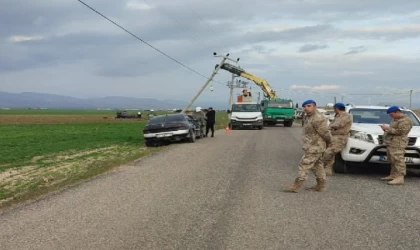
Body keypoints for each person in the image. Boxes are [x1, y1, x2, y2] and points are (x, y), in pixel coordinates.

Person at [283, 99, 332, 192]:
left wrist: (330, 142)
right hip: (311, 145)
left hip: (315, 146)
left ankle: (296, 186)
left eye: (309, 106)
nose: (306, 108)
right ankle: (320, 186)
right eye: (304, 106)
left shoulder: (318, 118)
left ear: (314, 106)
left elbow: (325, 133)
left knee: (304, 164)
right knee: (318, 165)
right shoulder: (308, 117)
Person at [379, 106, 413, 185]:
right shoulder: (396, 119)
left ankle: (400, 178)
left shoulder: (406, 120)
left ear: (397, 112)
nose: (391, 116)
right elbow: (394, 129)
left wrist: (387, 128)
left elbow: (401, 132)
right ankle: (394, 175)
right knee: (392, 159)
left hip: (398, 143)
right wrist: (386, 129)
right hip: (392, 142)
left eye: (391, 114)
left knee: (398, 160)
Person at [322, 102, 352, 176]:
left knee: (328, 152)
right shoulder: (338, 116)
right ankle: (327, 170)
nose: (334, 110)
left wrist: (329, 127)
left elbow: (339, 124)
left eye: (334, 108)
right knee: (331, 155)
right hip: (333, 136)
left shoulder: (346, 115)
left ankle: (320, 166)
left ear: (337, 108)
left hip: (340, 137)